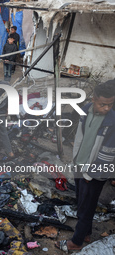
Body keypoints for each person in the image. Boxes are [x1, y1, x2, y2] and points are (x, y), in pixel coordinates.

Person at [55, 81, 115, 253]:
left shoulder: (112, 121)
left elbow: (107, 155)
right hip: (79, 165)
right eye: (102, 104)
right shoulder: (86, 109)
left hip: (94, 172)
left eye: (110, 104)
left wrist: (91, 174)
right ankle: (86, 233)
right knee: (81, 201)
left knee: (87, 206)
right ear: (94, 99)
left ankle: (76, 242)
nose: (106, 108)